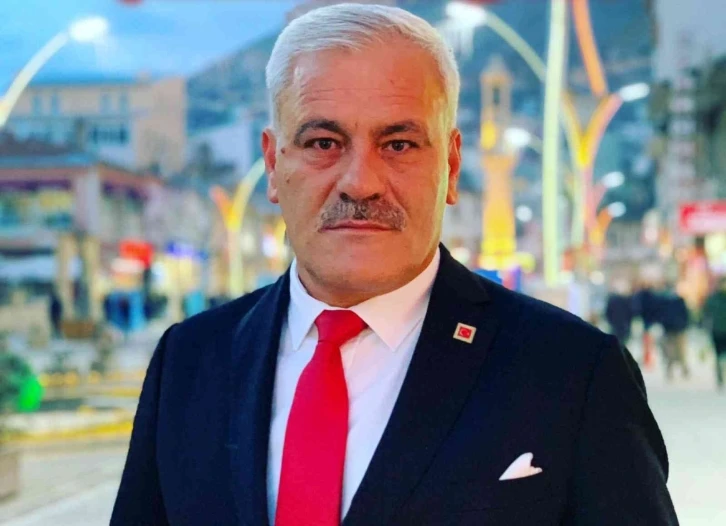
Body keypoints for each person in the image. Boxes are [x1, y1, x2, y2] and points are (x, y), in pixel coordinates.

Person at [111, 5, 678, 525]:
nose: (360, 182)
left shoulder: (572, 375)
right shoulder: (189, 363)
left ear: (451, 166)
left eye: (399, 144)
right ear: (273, 163)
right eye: (323, 142)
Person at [658, 289, 691, 381]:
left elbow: (661, 315)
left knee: (673, 352)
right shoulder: (679, 302)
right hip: (676, 329)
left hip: (672, 329)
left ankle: (676, 371)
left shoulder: (665, 302)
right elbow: (686, 315)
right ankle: (682, 370)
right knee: (679, 351)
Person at [703, 277, 726, 390]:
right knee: (718, 356)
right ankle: (719, 377)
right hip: (717, 331)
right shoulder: (713, 299)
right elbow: (706, 314)